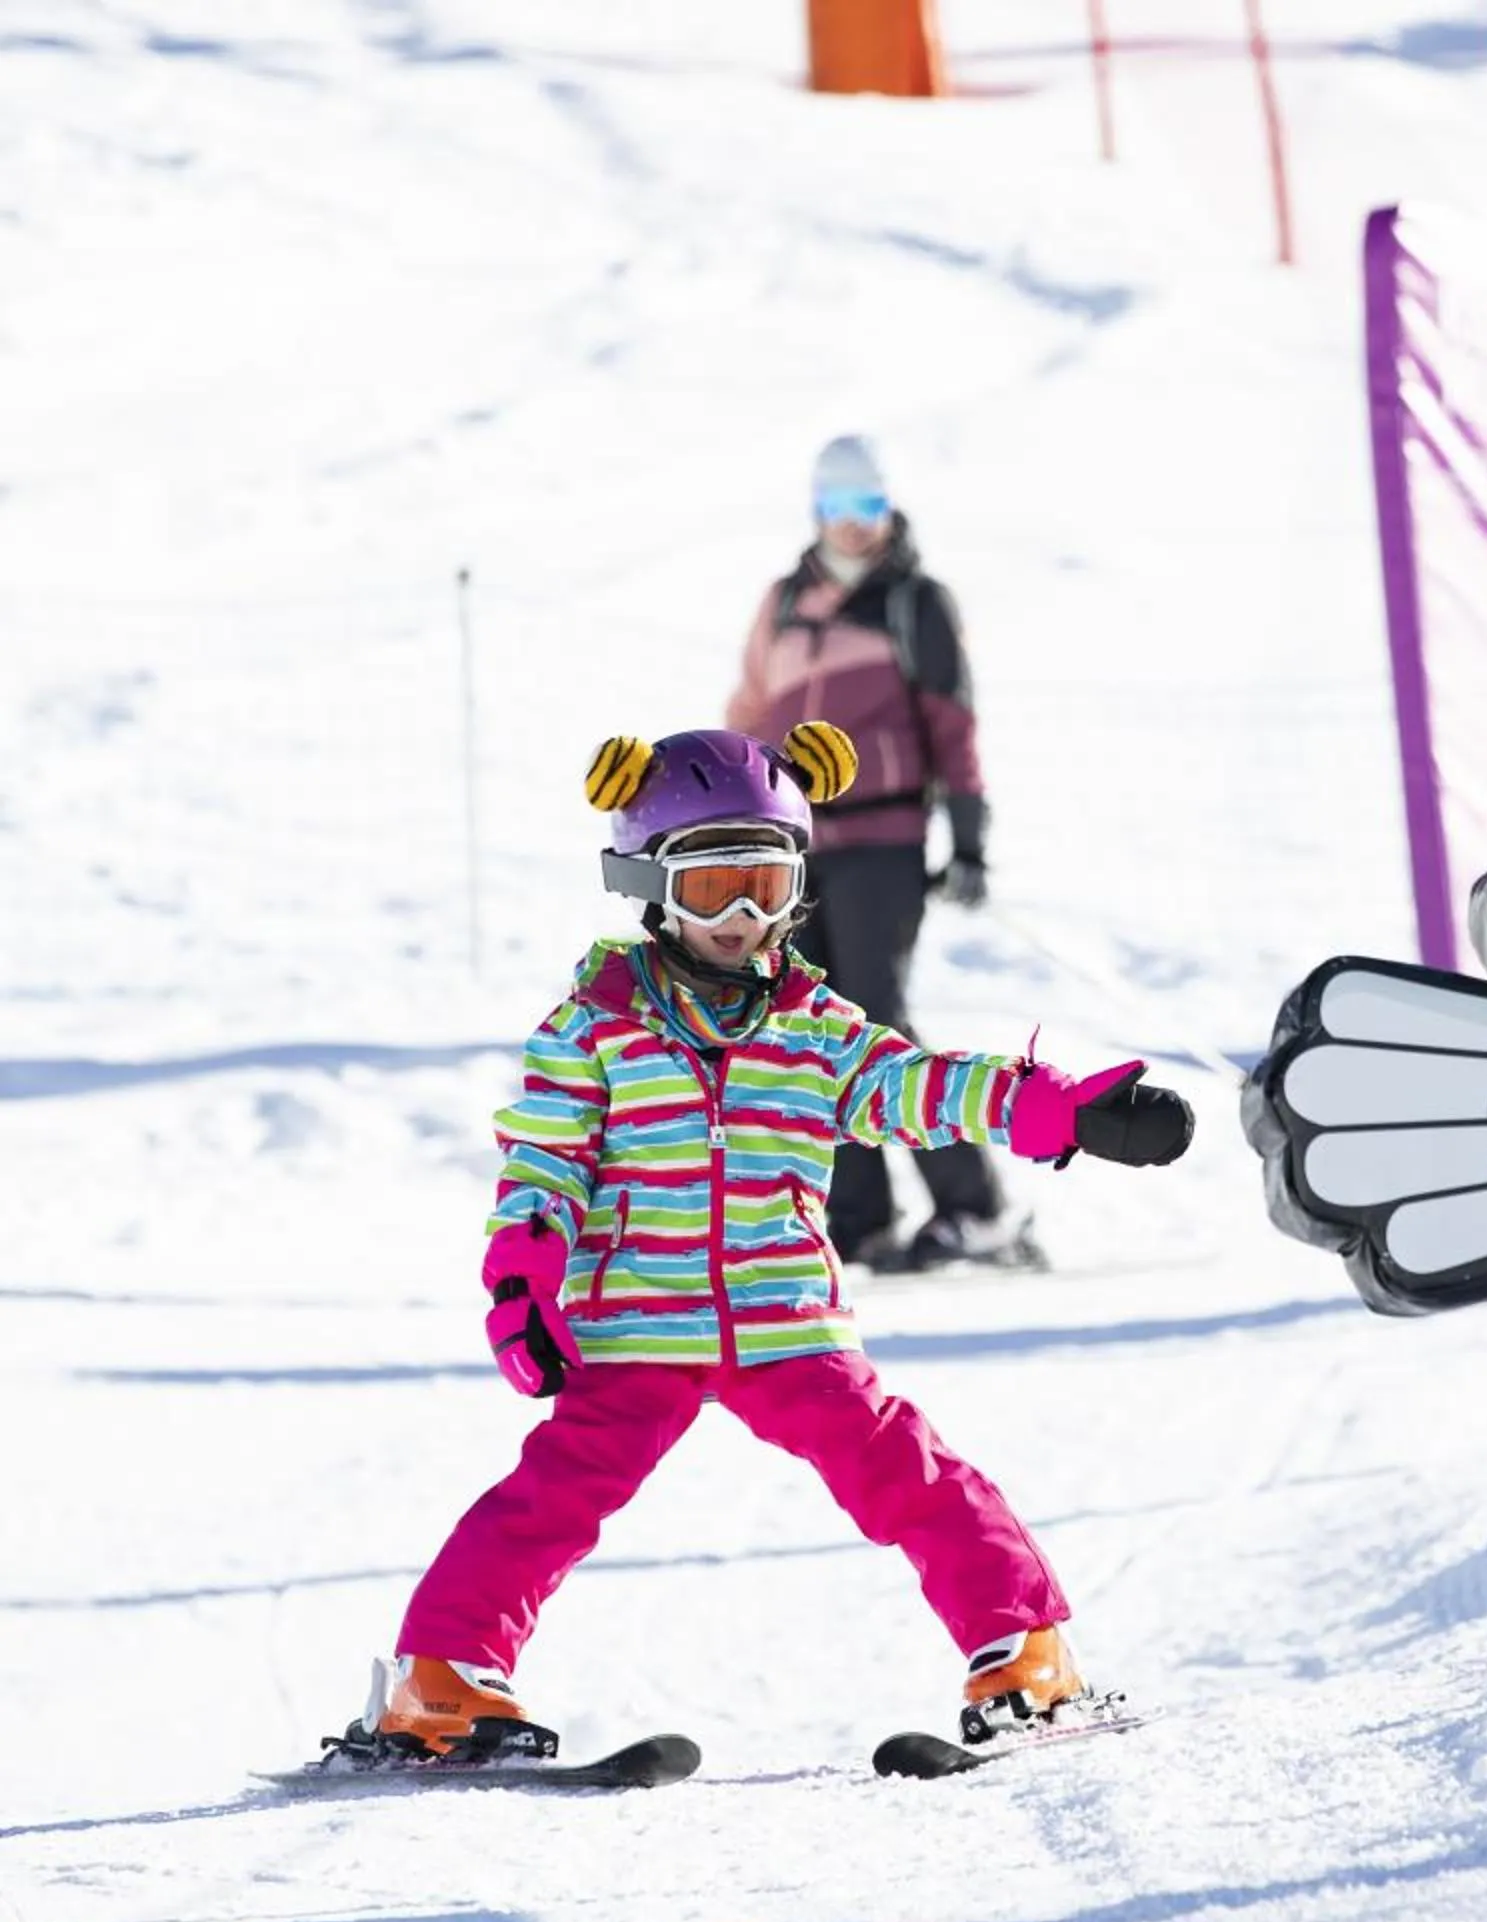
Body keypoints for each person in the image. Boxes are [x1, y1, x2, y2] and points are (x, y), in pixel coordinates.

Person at [323, 723, 1194, 1768]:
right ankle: (440, 1683)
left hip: (787, 1321)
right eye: (710, 887)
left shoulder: (816, 1025)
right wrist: (524, 1277)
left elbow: (915, 1085)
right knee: (548, 1498)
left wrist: (1050, 1108)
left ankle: (1027, 1662)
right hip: (638, 1323)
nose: (742, 916)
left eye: (767, 883)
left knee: (914, 1475)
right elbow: (544, 1163)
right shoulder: (593, 1027)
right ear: (650, 884)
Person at [727, 435, 1008, 1272]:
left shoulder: (914, 603)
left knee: (876, 1018)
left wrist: (968, 839)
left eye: (870, 507)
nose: (855, 526)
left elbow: (952, 724)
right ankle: (860, 1216)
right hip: (796, 843)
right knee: (809, 1026)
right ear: (817, 511)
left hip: (883, 842)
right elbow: (749, 710)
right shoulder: (784, 603)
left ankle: (976, 1208)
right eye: (840, 508)